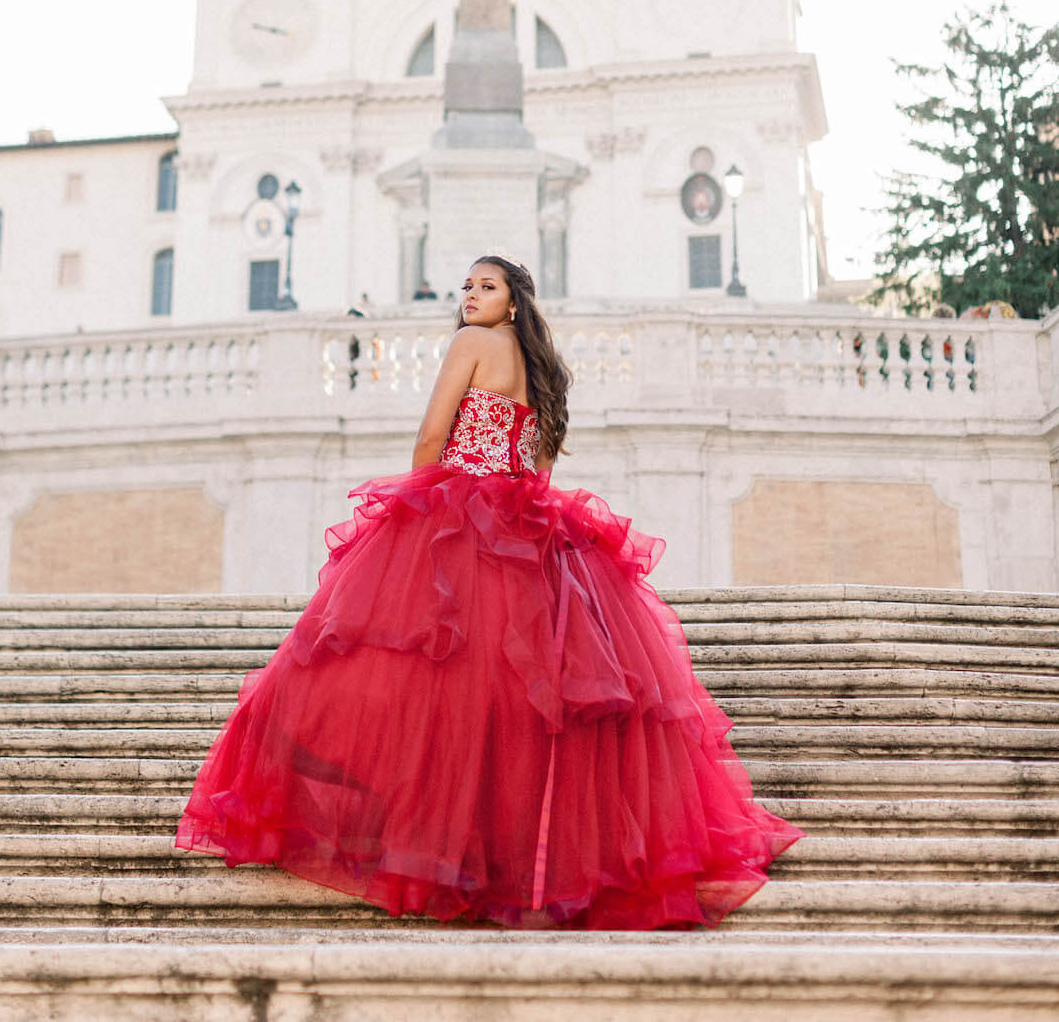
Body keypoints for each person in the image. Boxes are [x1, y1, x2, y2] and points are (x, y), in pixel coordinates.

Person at [174, 254, 802, 928]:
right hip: (530, 524)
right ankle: (504, 859)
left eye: (486, 286)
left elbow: (431, 437)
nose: (470, 295)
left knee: (407, 676)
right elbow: (539, 465)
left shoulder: (470, 343)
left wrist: (417, 508)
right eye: (466, 286)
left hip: (461, 512)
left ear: (512, 301)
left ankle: (423, 844)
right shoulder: (544, 369)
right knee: (511, 703)